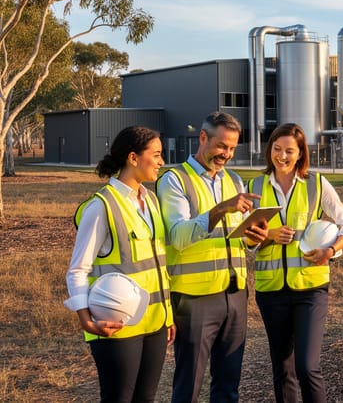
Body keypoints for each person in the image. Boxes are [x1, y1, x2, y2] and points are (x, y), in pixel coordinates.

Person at [156, 112, 269, 402]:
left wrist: (253, 239)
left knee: (228, 385)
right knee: (188, 385)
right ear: (203, 138)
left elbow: (238, 240)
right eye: (222, 146)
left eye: (232, 148)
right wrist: (220, 209)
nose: (227, 154)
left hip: (235, 295)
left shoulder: (233, 180)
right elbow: (179, 237)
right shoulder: (174, 180)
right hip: (195, 298)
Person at [248, 123, 343, 403]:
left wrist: (330, 251)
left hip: (310, 289)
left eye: (289, 151)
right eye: (276, 149)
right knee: (282, 368)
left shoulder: (316, 184)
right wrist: (269, 236)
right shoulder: (255, 186)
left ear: (300, 154)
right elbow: (246, 241)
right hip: (271, 291)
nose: (281, 156)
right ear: (269, 149)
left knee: (307, 367)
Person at [64, 126, 175, 402]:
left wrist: (167, 315)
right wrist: (85, 319)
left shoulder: (151, 201)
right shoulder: (101, 206)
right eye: (157, 155)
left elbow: (157, 265)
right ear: (134, 158)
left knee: (145, 398)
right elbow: (78, 269)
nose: (162, 162)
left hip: (155, 324)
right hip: (116, 326)